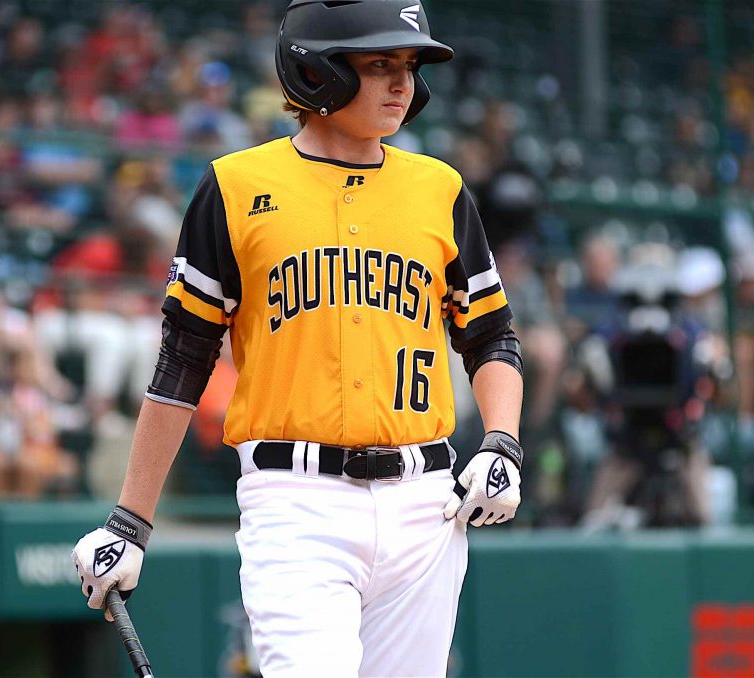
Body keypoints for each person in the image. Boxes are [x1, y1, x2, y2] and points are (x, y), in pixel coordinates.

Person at [72, 2, 525, 676]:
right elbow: (182, 361)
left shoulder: (441, 189)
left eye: (407, 67)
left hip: (427, 503)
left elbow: (490, 336)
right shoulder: (235, 185)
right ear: (316, 72)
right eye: (379, 65)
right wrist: (130, 521)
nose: (402, 84)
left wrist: (503, 442)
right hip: (296, 502)